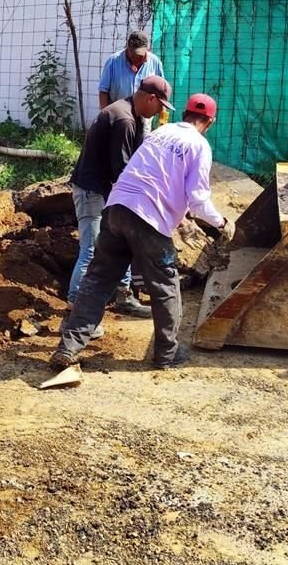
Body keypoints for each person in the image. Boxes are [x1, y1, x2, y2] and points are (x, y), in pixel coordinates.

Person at [52, 94, 233, 370]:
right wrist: (221, 223)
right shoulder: (199, 145)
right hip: (149, 220)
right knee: (165, 287)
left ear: (184, 114)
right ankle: (167, 354)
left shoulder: (160, 133)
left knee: (98, 279)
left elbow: (151, 176)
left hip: (117, 209)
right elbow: (198, 198)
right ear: (211, 121)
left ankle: (69, 347)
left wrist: (179, 218)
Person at [68, 75, 174, 321]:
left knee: (120, 241)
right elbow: (122, 168)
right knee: (91, 249)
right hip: (92, 190)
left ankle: (123, 297)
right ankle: (76, 305)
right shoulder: (124, 119)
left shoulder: (131, 113)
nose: (160, 112)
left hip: (106, 190)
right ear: (150, 98)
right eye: (160, 106)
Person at [98, 30, 165, 110]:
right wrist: (105, 114)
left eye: (139, 55)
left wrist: (162, 113)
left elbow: (161, 92)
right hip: (118, 114)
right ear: (127, 47)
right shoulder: (113, 61)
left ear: (147, 49)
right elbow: (103, 91)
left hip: (144, 115)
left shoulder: (155, 62)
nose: (136, 58)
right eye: (133, 54)